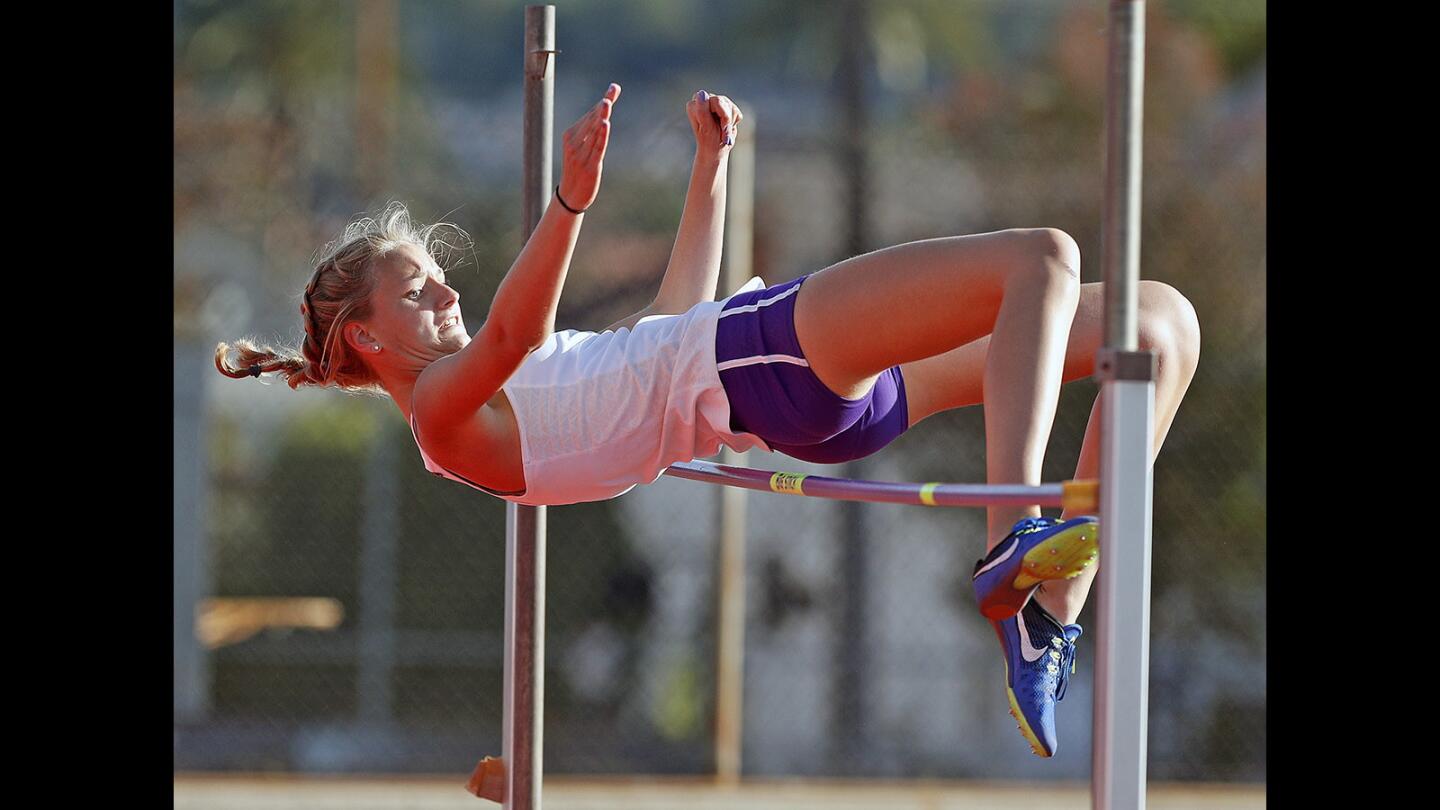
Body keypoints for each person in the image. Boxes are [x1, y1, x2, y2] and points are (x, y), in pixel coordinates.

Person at [216, 83, 1200, 758]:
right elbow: (519, 326)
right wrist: (570, 201)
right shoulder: (441, 413)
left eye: (435, 276)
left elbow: (670, 325)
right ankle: (1012, 549)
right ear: (369, 344)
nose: (445, 293)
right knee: (1041, 259)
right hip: (759, 359)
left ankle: (1047, 620)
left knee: (1158, 326)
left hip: (778, 385)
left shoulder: (523, 386)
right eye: (417, 291)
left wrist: (709, 171)